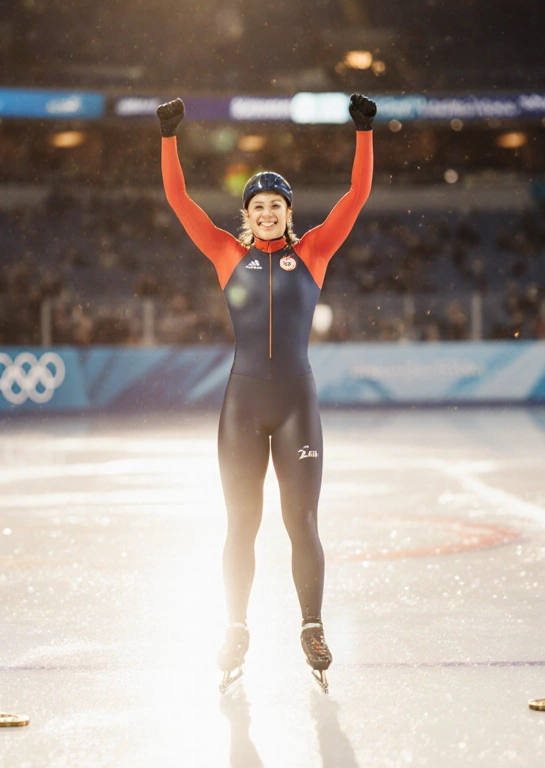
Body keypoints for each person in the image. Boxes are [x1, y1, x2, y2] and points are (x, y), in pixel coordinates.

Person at [158, 93, 377, 693]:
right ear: (247, 216)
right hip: (243, 407)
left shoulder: (314, 253)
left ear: (287, 213)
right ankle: (234, 626)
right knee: (241, 523)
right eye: (258, 206)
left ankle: (311, 625)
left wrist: (364, 132)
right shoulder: (227, 255)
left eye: (276, 205)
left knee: (301, 520)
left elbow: (356, 196)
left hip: (296, 403)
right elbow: (179, 200)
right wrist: (169, 139)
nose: (267, 213)